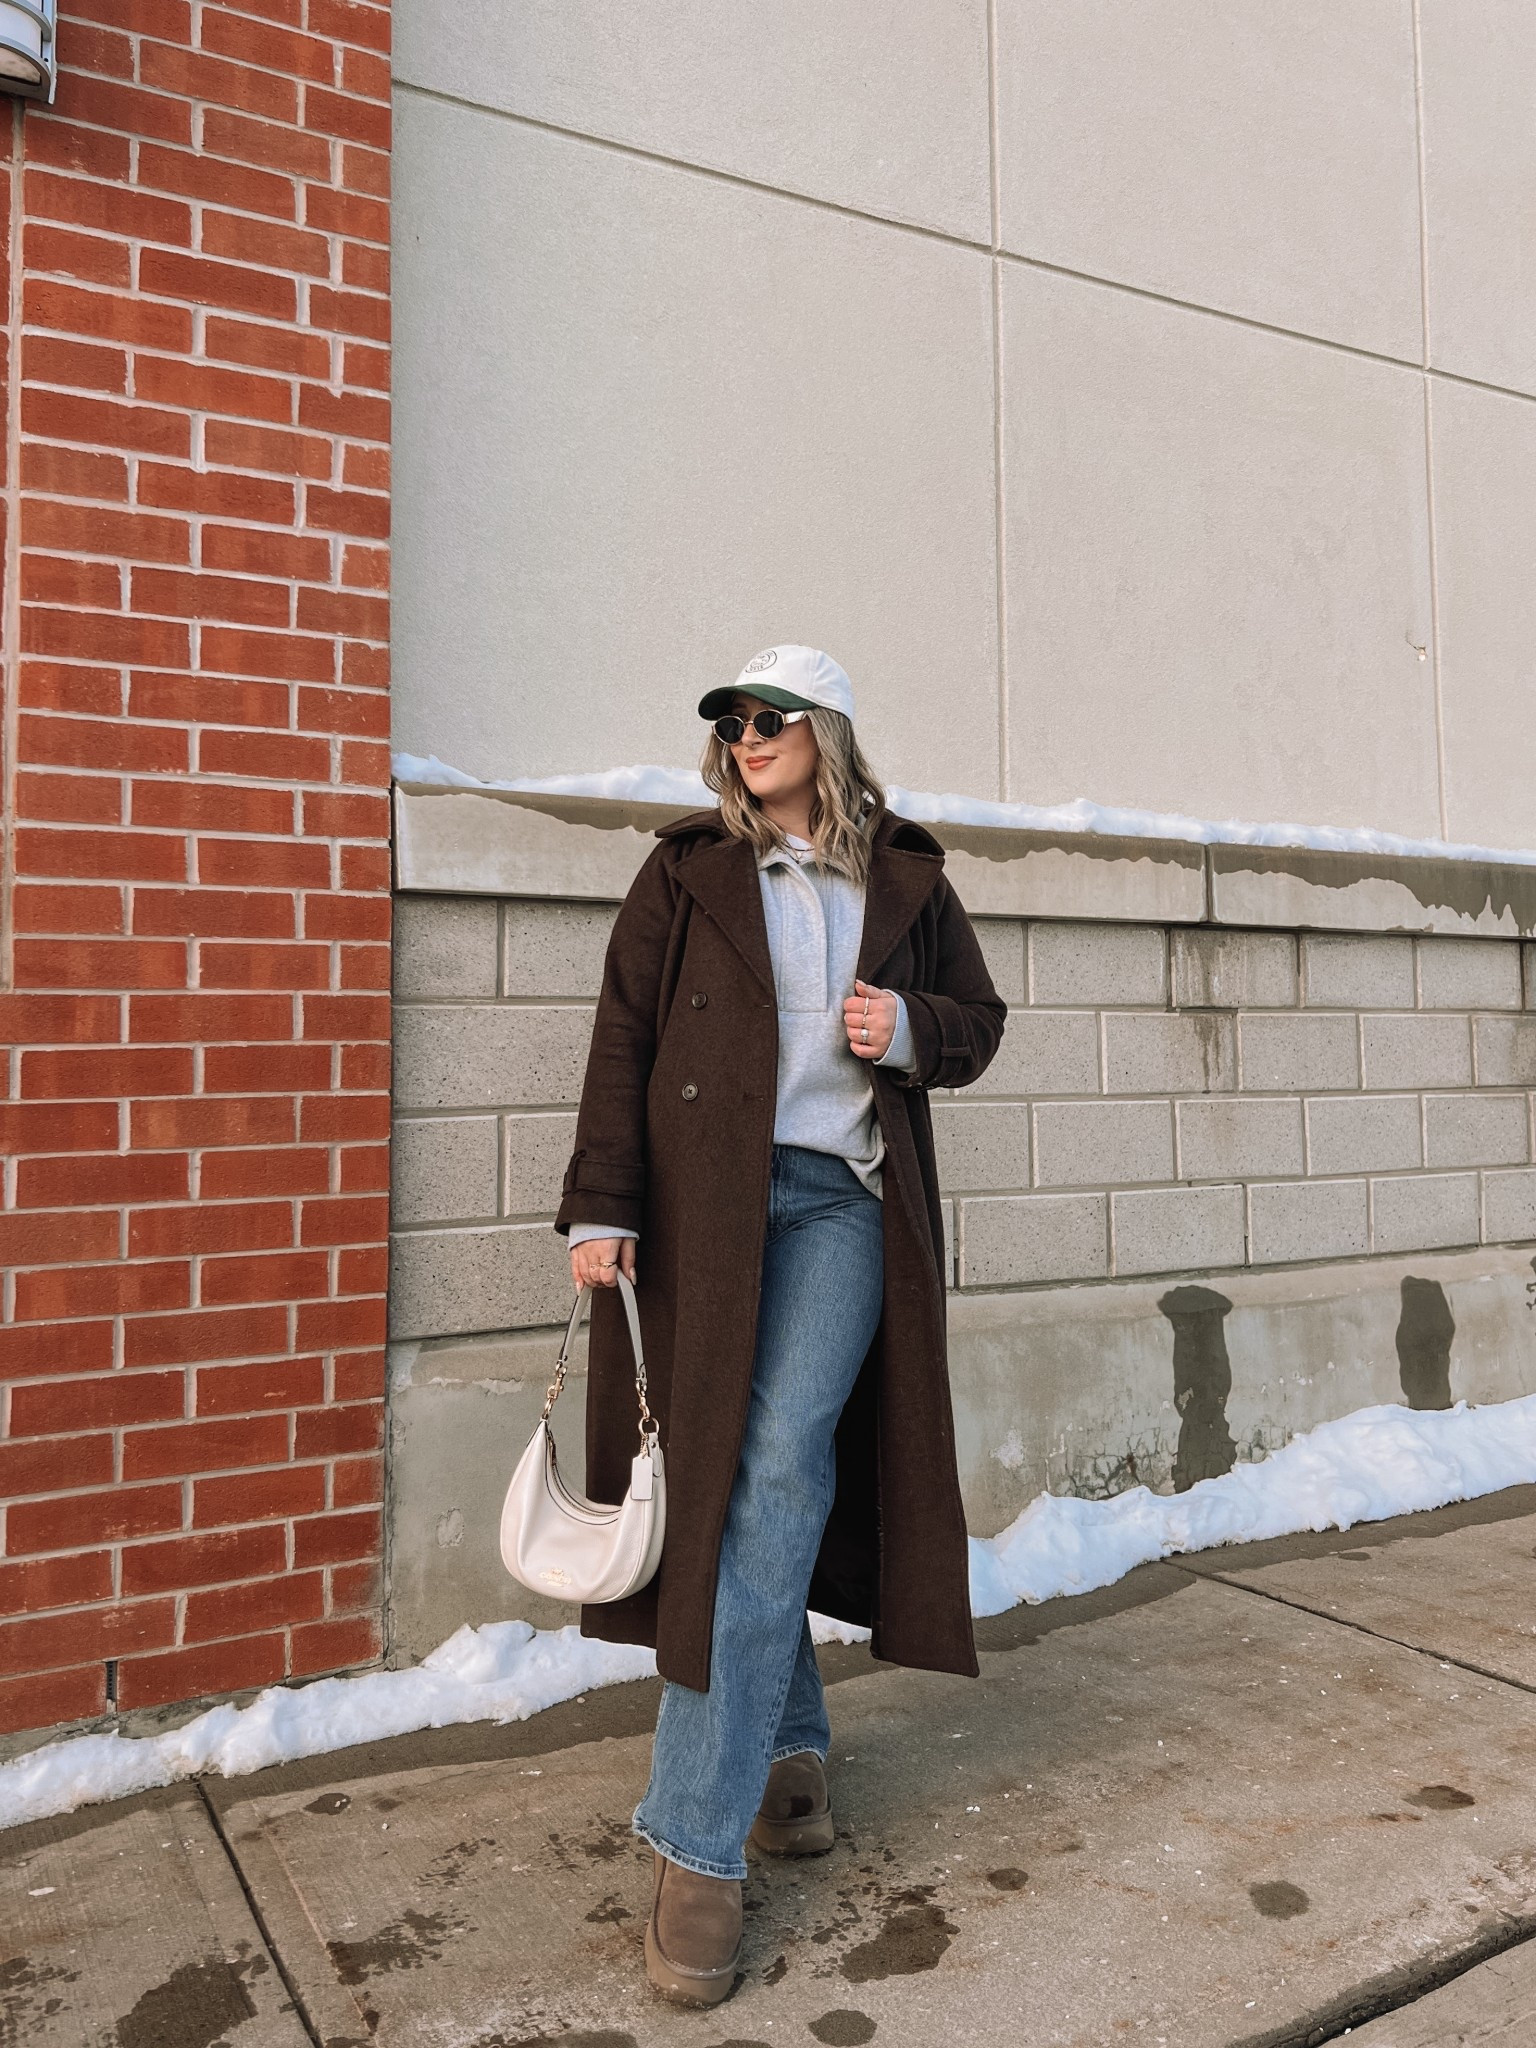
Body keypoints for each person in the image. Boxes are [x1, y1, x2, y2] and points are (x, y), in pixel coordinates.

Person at [554, 644, 1006, 2005]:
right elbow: (623, 1035)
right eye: (734, 722)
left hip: (840, 1209)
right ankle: (788, 1760)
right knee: (744, 1486)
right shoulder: (689, 869)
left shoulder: (908, 874)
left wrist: (907, 1024)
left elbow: (979, 1022)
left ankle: (696, 1848)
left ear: (831, 732)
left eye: (773, 717)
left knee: (776, 1471)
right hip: (705, 1212)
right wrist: (598, 1207)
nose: (748, 738)